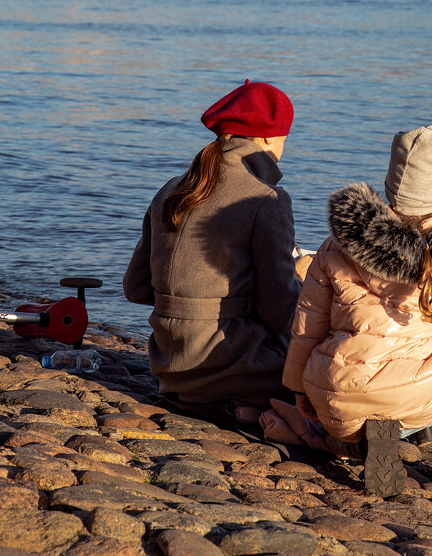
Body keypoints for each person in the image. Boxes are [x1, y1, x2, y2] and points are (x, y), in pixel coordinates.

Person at [278, 125, 432, 497]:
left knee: (378, 351)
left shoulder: (336, 243)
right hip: (410, 400)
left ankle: (360, 440)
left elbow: (307, 325)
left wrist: (299, 389)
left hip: (334, 396)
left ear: (390, 185)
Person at [123, 80, 311, 426]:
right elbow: (278, 314)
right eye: (285, 139)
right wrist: (299, 276)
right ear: (269, 138)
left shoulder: (171, 188)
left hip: (169, 370)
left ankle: (240, 409)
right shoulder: (266, 200)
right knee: (329, 370)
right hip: (226, 367)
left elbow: (135, 289)